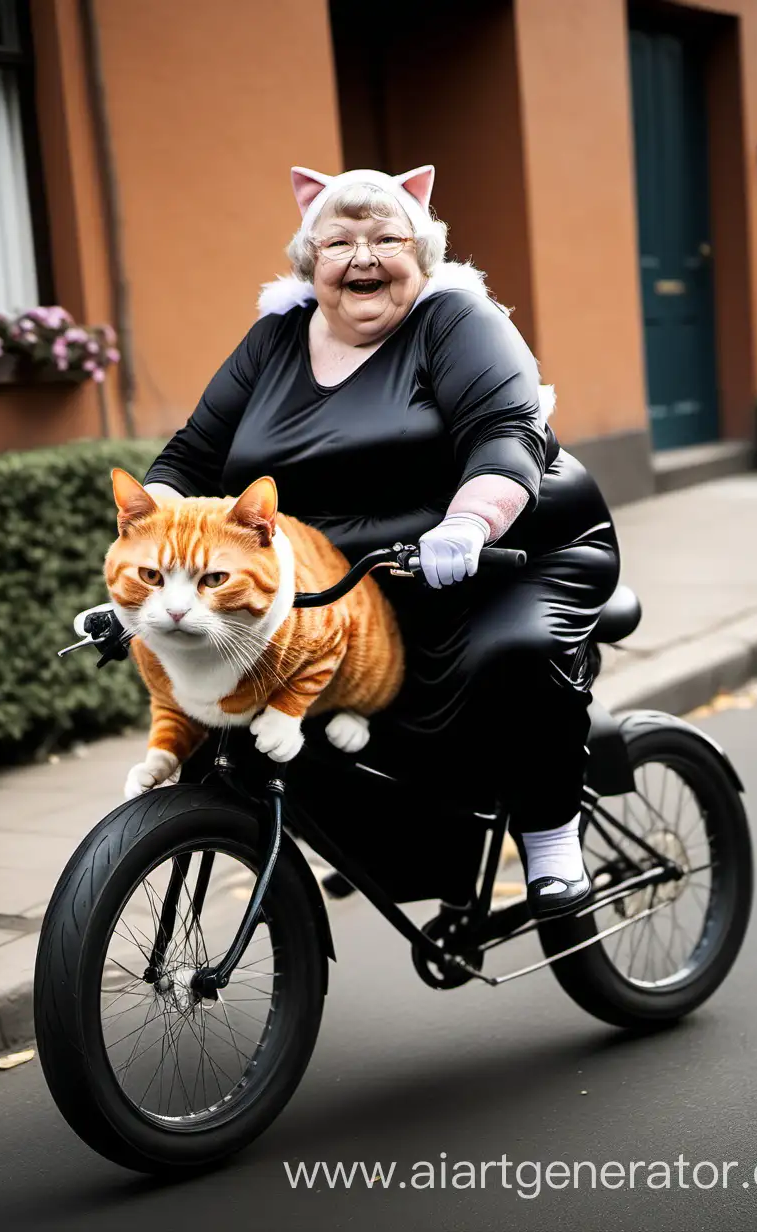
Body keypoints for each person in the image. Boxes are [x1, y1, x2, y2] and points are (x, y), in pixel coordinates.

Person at [142, 163, 620, 919]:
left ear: (422, 255)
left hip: (512, 552)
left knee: (514, 655)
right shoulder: (273, 340)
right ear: (311, 262)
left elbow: (506, 432)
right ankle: (397, 841)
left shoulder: (458, 322)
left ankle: (551, 837)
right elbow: (191, 458)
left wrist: (467, 523)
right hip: (357, 578)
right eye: (338, 242)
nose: (361, 258)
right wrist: (150, 551)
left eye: (385, 238)